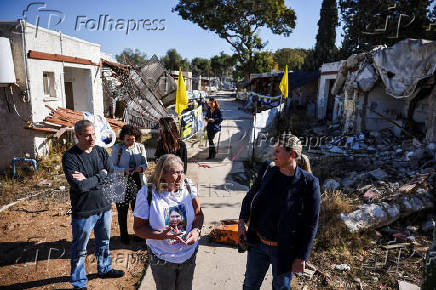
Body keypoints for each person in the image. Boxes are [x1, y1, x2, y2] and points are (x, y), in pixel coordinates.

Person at [238, 133, 320, 290]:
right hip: (258, 244)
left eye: (278, 151)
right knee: (249, 285)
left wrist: (301, 257)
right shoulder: (268, 170)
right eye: (274, 150)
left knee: (281, 287)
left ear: (292, 154)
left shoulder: (309, 184)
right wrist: (241, 222)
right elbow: (250, 196)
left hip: (284, 250)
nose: (273, 155)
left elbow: (311, 224)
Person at [62, 120, 124, 289]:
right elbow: (80, 186)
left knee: (104, 242)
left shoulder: (101, 151)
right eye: (87, 135)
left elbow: (112, 177)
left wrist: (93, 179)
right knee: (80, 248)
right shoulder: (70, 157)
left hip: (104, 207)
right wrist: (100, 176)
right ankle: (79, 282)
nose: (92, 138)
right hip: (84, 211)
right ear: (77, 136)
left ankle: (104, 269)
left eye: (93, 134)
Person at [133, 154, 204, 290]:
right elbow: (138, 228)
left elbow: (199, 214)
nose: (180, 177)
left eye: (182, 172)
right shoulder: (147, 193)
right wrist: (161, 235)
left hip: (188, 256)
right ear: (162, 173)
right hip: (162, 258)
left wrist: (196, 231)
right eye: (175, 173)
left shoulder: (188, 187)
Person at [110, 124, 147, 244]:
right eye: (128, 139)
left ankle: (139, 233)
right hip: (121, 183)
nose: (130, 142)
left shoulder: (141, 147)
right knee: (122, 210)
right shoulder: (117, 149)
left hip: (137, 181)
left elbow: (145, 164)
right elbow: (111, 167)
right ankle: (123, 235)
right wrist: (122, 171)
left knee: (138, 209)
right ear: (123, 138)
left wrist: (141, 169)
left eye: (133, 139)